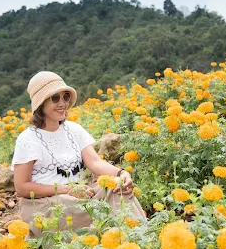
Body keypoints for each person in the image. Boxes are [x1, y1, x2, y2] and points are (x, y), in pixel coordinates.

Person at [11, 71, 146, 237]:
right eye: (55, 98)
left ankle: (140, 239)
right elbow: (22, 187)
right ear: (41, 103)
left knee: (117, 186)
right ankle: (112, 241)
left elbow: (95, 162)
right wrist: (66, 190)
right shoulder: (28, 139)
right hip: (44, 203)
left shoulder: (74, 130)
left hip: (80, 194)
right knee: (80, 207)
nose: (62, 103)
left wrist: (122, 173)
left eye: (65, 97)